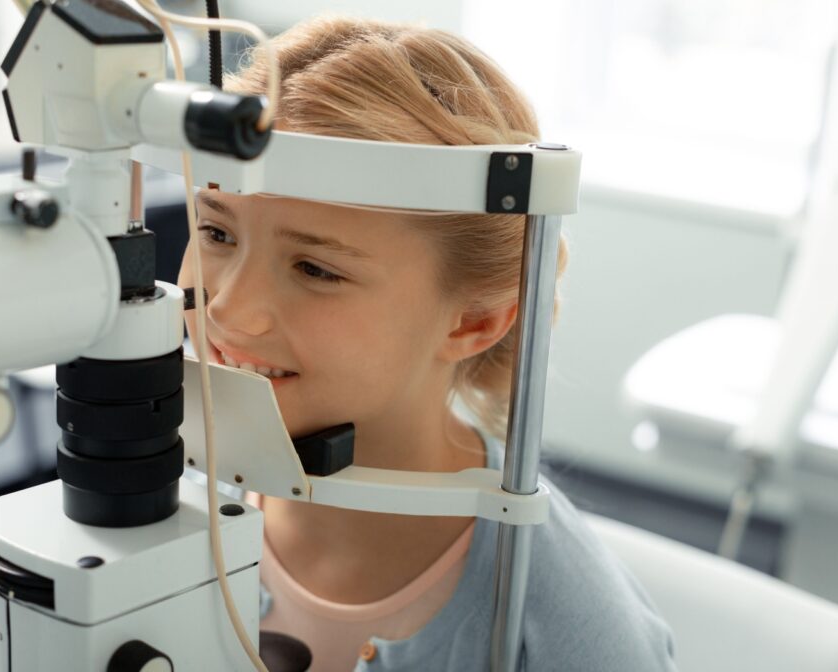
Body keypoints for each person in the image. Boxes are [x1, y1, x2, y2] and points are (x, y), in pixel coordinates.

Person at [178, 15, 676, 671]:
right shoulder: (177, 492)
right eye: (217, 234)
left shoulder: (572, 636)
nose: (229, 309)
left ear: (474, 321)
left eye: (316, 270)